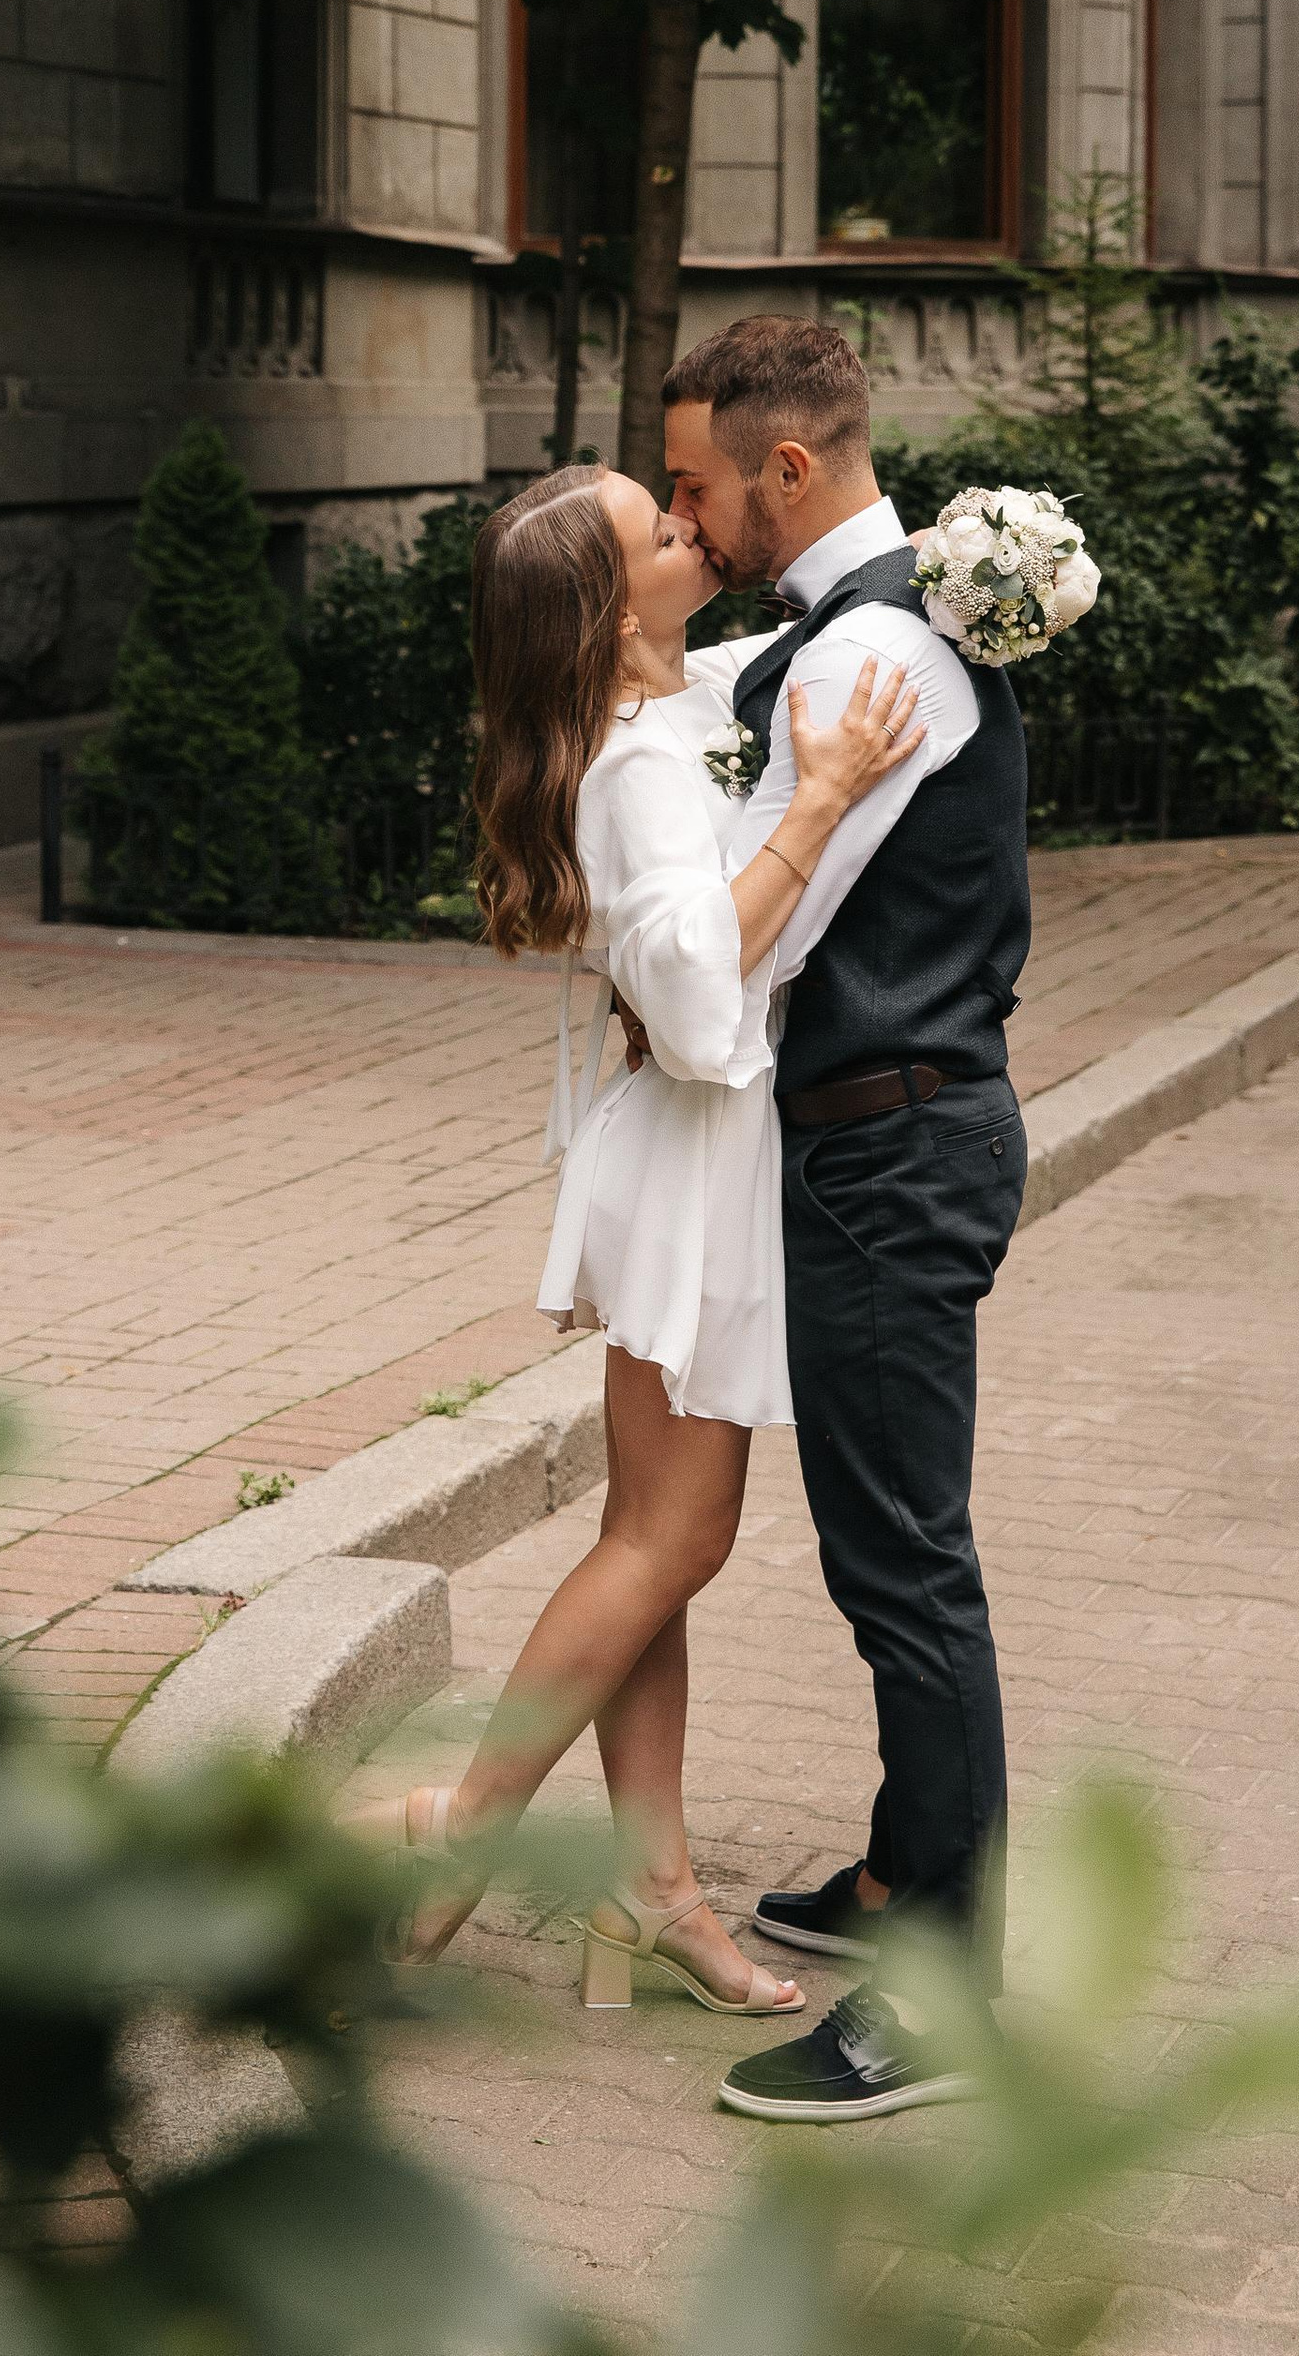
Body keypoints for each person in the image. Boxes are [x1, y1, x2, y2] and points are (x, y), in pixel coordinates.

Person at [391, 458, 926, 2017]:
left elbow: (820, 630)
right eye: (660, 529)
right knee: (670, 1540)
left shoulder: (692, 691)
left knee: (653, 1546)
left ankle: (654, 1884)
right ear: (611, 612)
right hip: (697, 1160)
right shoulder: (631, 765)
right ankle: (467, 1820)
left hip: (690, 1167)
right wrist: (817, 800)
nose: (695, 528)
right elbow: (697, 1014)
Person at [661, 315, 1031, 2126]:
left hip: (891, 1146)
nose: (692, 514)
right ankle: (898, 1882)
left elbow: (759, 947)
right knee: (893, 1545)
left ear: (785, 469)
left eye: (698, 486)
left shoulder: (866, 658)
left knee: (905, 1563)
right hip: (900, 1138)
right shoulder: (863, 630)